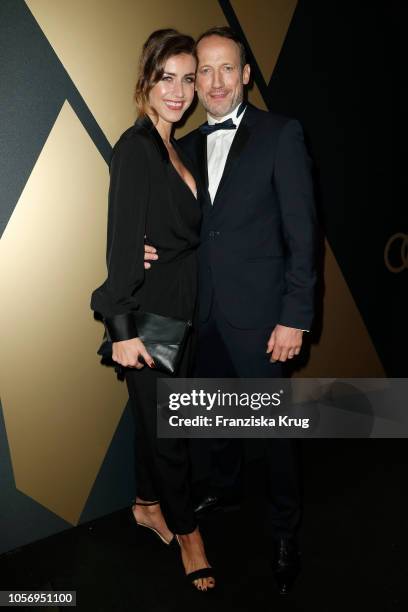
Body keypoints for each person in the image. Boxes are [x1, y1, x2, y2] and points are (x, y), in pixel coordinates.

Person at [144, 26, 317, 594]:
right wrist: (148, 250)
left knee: (275, 433)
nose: (214, 82)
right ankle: (224, 485)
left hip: (264, 318)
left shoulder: (280, 134)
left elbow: (302, 232)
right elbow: (189, 230)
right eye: (204, 72)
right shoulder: (187, 145)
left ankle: (285, 528)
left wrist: (295, 315)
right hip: (204, 312)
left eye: (226, 69)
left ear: (245, 75)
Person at [90, 29, 215, 592]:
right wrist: (120, 327)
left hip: (182, 312)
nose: (180, 91)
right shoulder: (136, 147)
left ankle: (145, 504)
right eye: (169, 76)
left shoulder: (175, 147)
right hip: (150, 322)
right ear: (147, 78)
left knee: (157, 425)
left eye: (188, 79)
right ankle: (191, 536)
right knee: (172, 438)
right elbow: (120, 246)